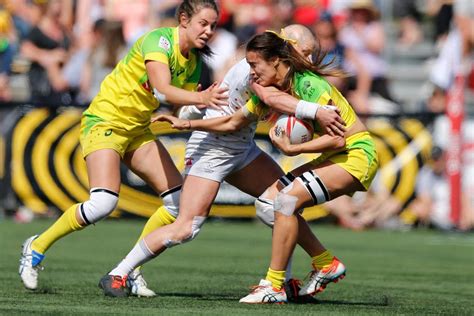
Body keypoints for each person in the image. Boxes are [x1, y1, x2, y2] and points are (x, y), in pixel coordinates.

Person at [98, 25, 347, 300]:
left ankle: (289, 280)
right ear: (285, 48)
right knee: (186, 227)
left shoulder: (282, 68)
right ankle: (119, 273)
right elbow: (250, 109)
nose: (308, 61)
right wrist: (317, 112)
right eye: (306, 52)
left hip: (242, 147)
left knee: (283, 202)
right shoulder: (259, 68)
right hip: (212, 145)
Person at [18, 0, 227, 296]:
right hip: (106, 121)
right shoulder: (159, 40)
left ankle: (129, 271)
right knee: (103, 203)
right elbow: (162, 89)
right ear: (183, 19)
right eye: (203, 23)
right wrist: (204, 100)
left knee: (179, 204)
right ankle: (36, 246)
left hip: (137, 129)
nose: (208, 31)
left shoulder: (193, 63)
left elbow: (183, 108)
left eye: (213, 26)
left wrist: (216, 115)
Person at [234, 31, 379, 304]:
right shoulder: (284, 84)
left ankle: (274, 285)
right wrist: (192, 122)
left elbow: (338, 137)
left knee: (287, 200)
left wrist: (294, 149)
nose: (251, 71)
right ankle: (325, 263)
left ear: (277, 59)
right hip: (339, 155)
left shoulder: (310, 85)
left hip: (357, 154)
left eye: (255, 65)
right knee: (268, 203)